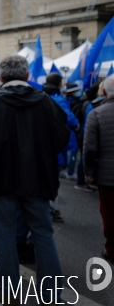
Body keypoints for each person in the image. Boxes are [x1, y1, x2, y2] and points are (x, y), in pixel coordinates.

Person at [0, 55, 69, 303]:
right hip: (39, 179)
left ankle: (8, 290)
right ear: (27, 76)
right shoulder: (45, 101)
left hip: (2, 177)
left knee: (6, 235)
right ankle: (51, 293)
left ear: (0, 78)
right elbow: (62, 138)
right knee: (43, 234)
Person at [84, 75, 114, 263]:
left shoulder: (96, 114)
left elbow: (90, 148)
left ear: (104, 91)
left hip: (107, 175)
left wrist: (88, 172)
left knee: (110, 212)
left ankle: (111, 249)